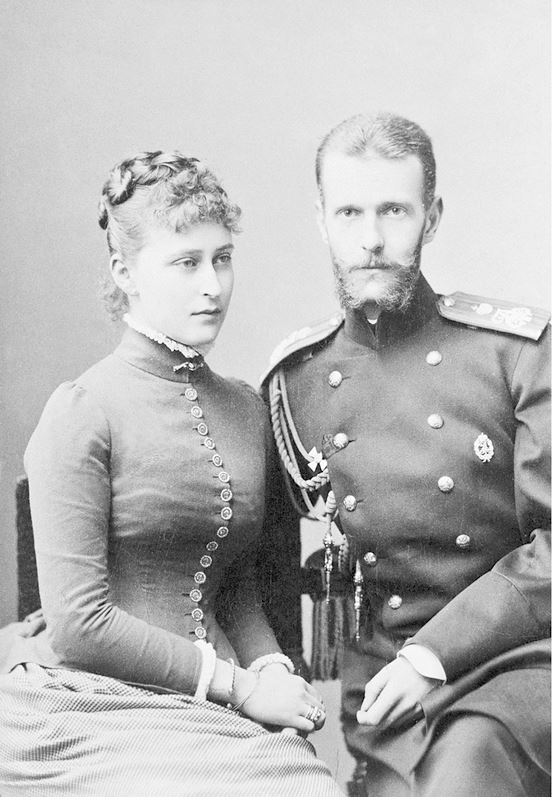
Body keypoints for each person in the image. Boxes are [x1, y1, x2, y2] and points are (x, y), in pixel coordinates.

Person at [0, 151, 344, 797]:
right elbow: (79, 625)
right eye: (186, 263)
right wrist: (241, 685)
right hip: (90, 700)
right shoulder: (82, 411)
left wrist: (272, 668)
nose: (212, 284)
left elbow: (234, 582)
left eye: (222, 258)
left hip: (215, 706)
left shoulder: (245, 408)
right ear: (124, 272)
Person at [261, 113, 551, 797]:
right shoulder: (294, 381)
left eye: (394, 210)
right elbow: (269, 571)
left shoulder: (515, 355)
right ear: (322, 222)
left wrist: (433, 656)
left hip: (517, 661)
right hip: (380, 688)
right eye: (350, 213)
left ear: (432, 218)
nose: (371, 239)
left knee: (466, 767)